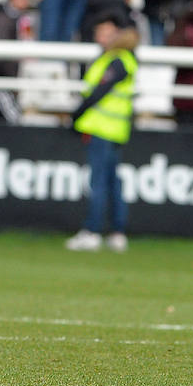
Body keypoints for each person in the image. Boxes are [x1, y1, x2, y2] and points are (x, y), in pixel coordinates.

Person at [65, 14, 139, 253]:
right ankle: (117, 232)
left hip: (103, 129)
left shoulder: (116, 61)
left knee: (99, 183)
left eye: (106, 32)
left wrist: (76, 116)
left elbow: (99, 92)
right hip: (115, 130)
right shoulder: (119, 59)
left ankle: (93, 231)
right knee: (112, 183)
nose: (101, 37)